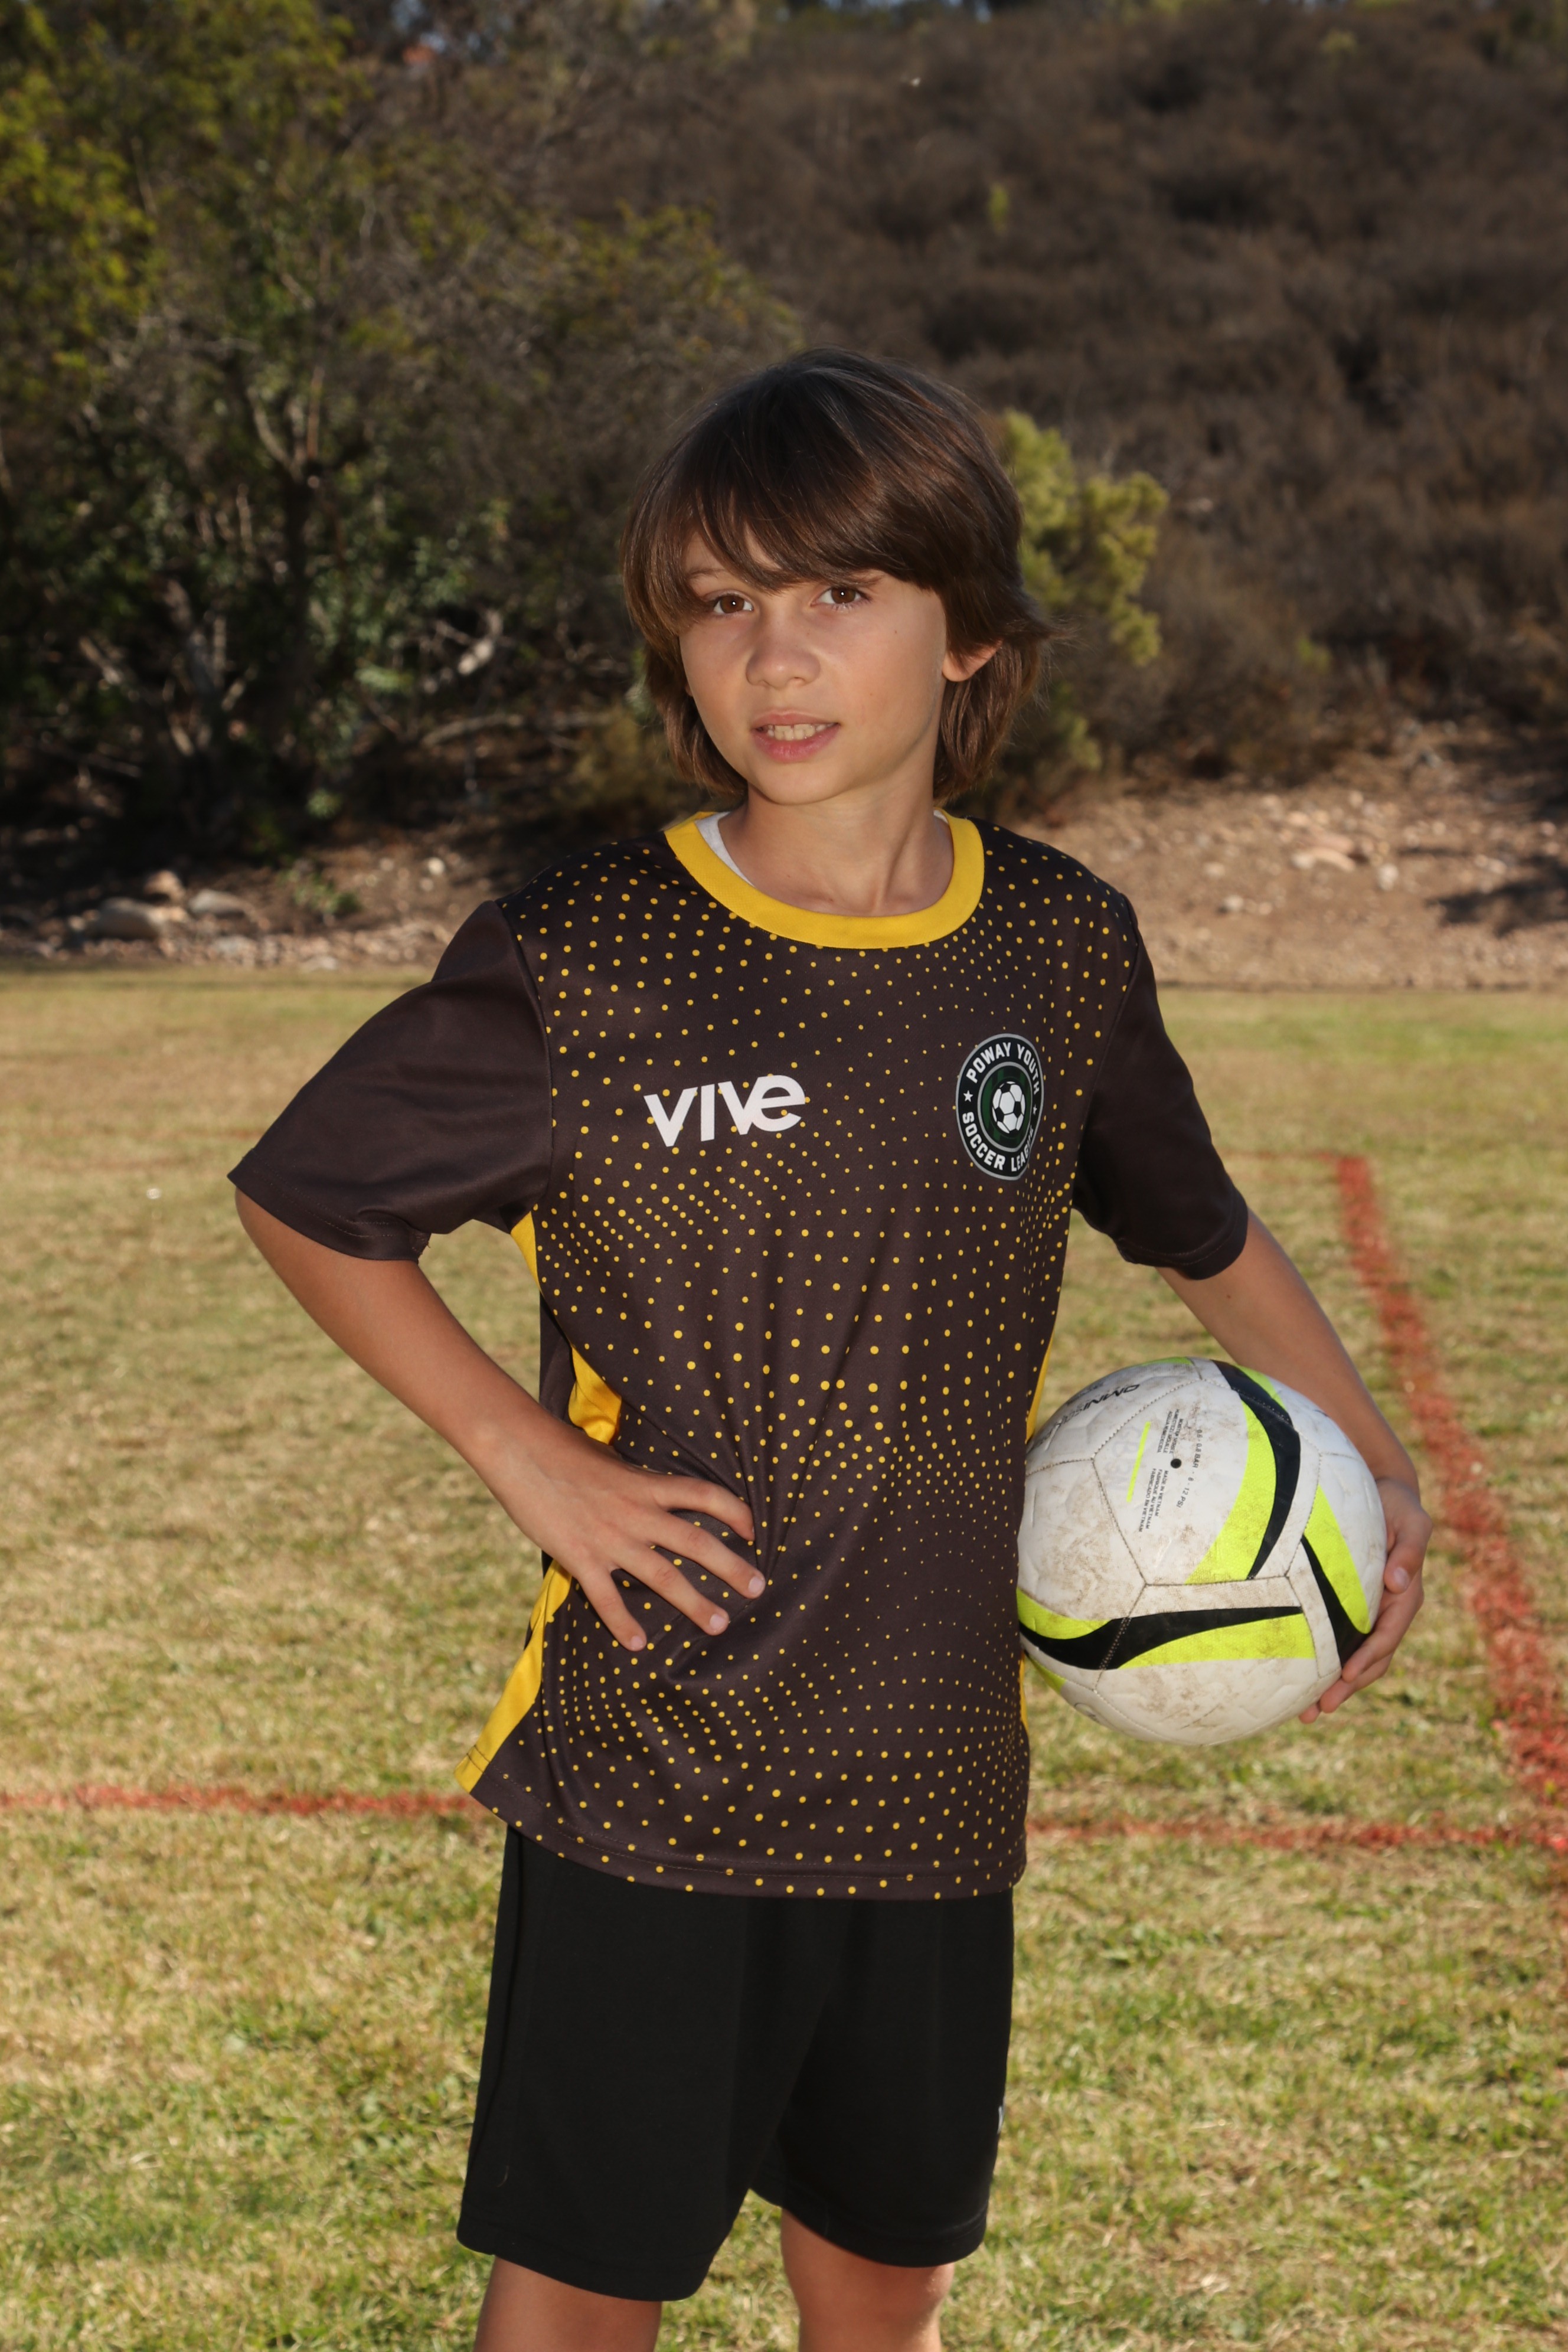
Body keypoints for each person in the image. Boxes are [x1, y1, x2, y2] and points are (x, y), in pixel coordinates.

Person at [231, 349, 1430, 2352]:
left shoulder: (1058, 948)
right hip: (660, 1768)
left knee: (886, 2291)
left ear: (968, 635)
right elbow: (308, 1199)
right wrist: (533, 1460)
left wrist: (1373, 1470)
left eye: (840, 593)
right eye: (721, 603)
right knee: (581, 2305)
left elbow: (1199, 1230)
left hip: (937, 1779)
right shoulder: (589, 957)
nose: (775, 656)